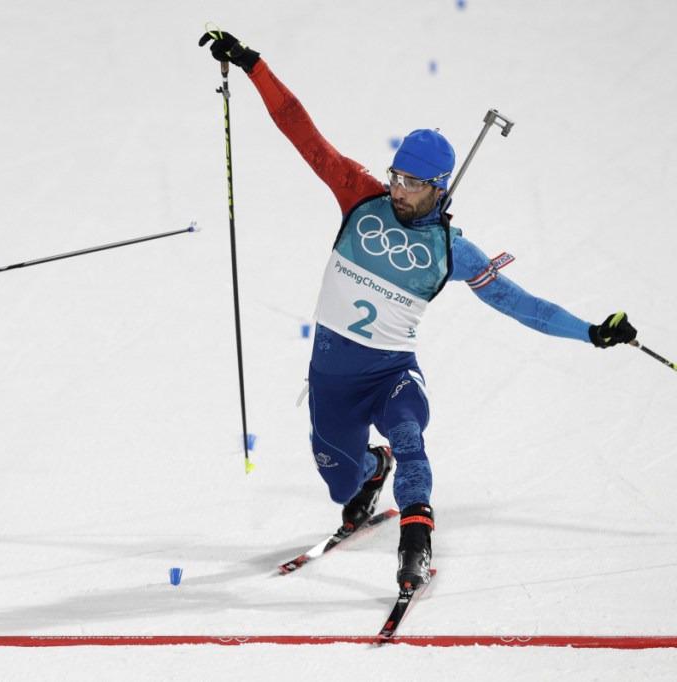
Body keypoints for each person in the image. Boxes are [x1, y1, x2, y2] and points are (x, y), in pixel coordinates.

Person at [198, 32, 637, 590]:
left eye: (411, 183)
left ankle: (416, 543)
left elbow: (521, 305)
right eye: (395, 177)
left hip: (390, 374)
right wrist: (253, 64)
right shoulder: (359, 195)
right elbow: (300, 129)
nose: (398, 190)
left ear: (439, 188)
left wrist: (592, 332)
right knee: (341, 484)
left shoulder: (454, 251)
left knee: (411, 437)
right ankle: (370, 469)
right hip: (330, 378)